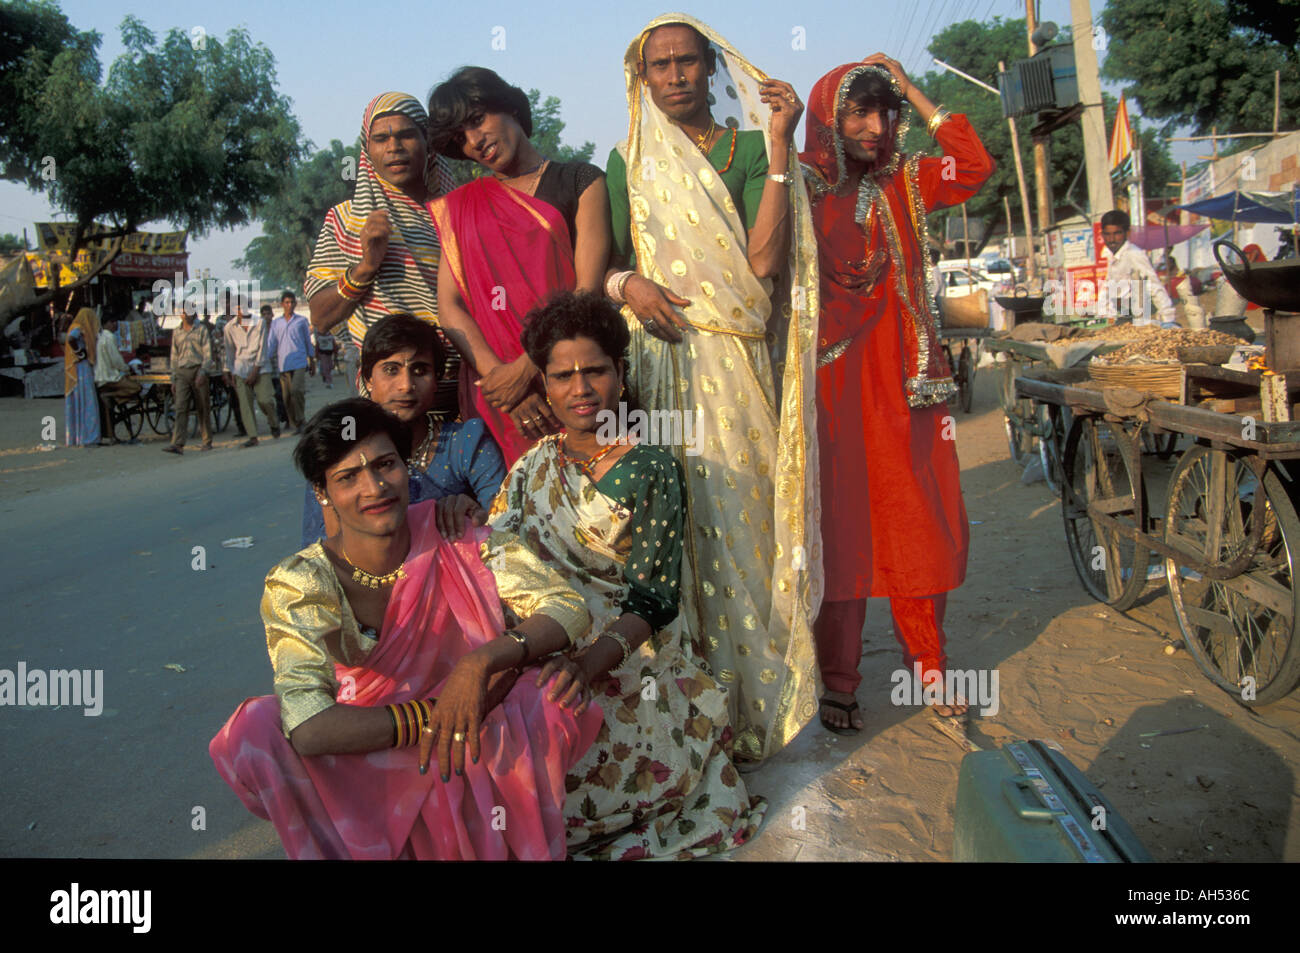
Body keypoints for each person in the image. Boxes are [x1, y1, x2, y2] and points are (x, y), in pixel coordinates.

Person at [210, 399, 603, 859]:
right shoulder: (301, 580)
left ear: (405, 465)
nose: (374, 487)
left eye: (385, 465)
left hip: (473, 722)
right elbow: (310, 727)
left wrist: (481, 662)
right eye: (347, 477)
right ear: (322, 493)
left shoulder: (455, 534)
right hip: (372, 733)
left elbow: (568, 607)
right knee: (256, 727)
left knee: (549, 691)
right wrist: (436, 715)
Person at [604, 15, 822, 761]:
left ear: (710, 69)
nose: (674, 76)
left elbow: (762, 264)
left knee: (748, 514)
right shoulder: (626, 160)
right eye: (658, 66)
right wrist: (624, 281)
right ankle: (692, 714)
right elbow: (600, 270)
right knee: (677, 519)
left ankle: (762, 697)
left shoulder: (752, 150)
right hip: (660, 363)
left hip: (734, 359)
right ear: (642, 79)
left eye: (686, 62)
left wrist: (783, 142)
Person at [488, 292, 764, 858]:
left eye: (595, 370)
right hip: (542, 646)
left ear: (621, 372)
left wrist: (585, 668)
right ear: (542, 382)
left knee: (591, 797)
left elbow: (654, 599)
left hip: (627, 658)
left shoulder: (651, 467)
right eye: (563, 375)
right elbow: (491, 555)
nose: (580, 388)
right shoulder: (531, 466)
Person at [800, 57, 995, 732]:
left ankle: (932, 668)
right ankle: (840, 681)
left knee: (917, 527)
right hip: (835, 391)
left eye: (887, 112)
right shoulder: (802, 189)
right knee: (845, 533)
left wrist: (914, 89)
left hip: (909, 388)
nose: (876, 127)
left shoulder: (908, 180)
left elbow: (974, 165)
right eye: (858, 112)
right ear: (829, 118)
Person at [426, 67, 612, 466]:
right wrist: (501, 382)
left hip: (571, 373)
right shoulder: (461, 207)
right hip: (496, 396)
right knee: (513, 511)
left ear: (509, 105)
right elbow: (450, 305)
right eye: (460, 138)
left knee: (593, 509)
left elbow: (587, 292)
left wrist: (529, 368)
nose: (475, 142)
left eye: (477, 121)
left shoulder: (580, 180)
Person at [304, 92, 460, 419]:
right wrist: (365, 267)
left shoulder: (459, 216)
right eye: (381, 138)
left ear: (427, 143)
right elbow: (321, 316)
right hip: (385, 403)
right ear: (367, 150)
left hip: (462, 388)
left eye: (406, 134)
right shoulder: (345, 220)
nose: (394, 147)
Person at [300, 314, 506, 546]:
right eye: (391, 370)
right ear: (368, 379)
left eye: (420, 371)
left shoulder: (465, 441)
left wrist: (472, 513)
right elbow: (321, 550)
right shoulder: (340, 447)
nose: (406, 385)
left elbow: (505, 524)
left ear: (436, 380)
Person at [1098, 209, 1177, 327]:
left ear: (1127, 233)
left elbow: (1153, 285)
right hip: (1118, 316)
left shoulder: (1134, 254)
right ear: (1102, 235)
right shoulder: (1110, 255)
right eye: (1108, 234)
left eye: (1117, 233)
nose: (1111, 239)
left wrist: (1168, 317)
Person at [223, 302, 281, 446]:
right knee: (245, 404)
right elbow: (229, 351)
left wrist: (254, 372)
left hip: (260, 367)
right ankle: (253, 436)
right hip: (240, 368)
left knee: (265, 400)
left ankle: (274, 422)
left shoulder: (259, 323)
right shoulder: (229, 327)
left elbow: (263, 349)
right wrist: (228, 370)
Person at [161, 306, 216, 455]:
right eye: (183, 312)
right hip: (182, 372)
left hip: (198, 370)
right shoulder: (176, 332)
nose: (185, 315)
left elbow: (207, 354)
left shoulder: (202, 329)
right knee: (180, 407)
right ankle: (178, 443)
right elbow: (174, 356)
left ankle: (207, 440)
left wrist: (203, 372)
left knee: (202, 406)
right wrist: (173, 378)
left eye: (188, 312)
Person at [268, 291, 314, 434]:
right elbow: (271, 344)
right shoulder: (276, 323)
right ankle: (295, 422)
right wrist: (265, 362)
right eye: (287, 302)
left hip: (300, 362)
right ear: (282, 304)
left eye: (292, 302)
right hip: (284, 364)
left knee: (296, 390)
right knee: (286, 396)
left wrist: (311, 359)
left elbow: (308, 341)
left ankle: (301, 420)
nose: (290, 305)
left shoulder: (301, 321)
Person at [94, 313, 141, 445]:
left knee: (111, 404)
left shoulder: (100, 336)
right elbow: (116, 360)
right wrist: (127, 368)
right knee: (136, 387)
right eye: (113, 322)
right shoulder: (109, 337)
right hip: (110, 378)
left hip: (101, 378)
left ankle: (113, 398)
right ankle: (113, 395)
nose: (115, 325)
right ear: (108, 323)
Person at [63, 307, 101, 447]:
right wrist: (80, 352)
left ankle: (78, 437)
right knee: (88, 401)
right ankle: (89, 437)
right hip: (81, 369)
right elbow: (71, 338)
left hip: (79, 368)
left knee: (80, 401)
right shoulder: (79, 327)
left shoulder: (77, 326)